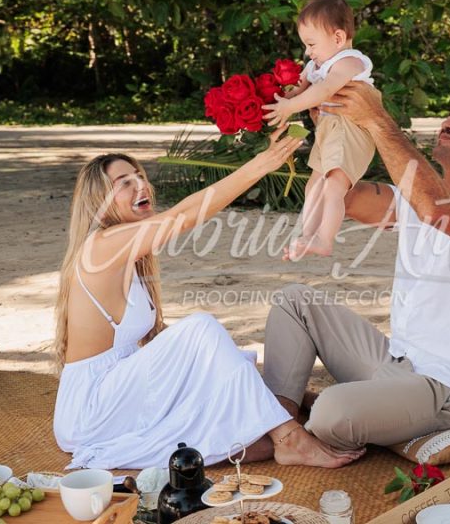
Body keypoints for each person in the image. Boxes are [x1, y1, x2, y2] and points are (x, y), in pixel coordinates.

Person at [52, 128, 364, 469]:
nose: (140, 185)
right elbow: (183, 216)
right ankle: (290, 438)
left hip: (123, 391)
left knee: (248, 433)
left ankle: (279, 427)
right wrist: (261, 164)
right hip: (91, 410)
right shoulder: (102, 245)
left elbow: (165, 347)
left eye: (140, 176)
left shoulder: (130, 256)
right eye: (124, 182)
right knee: (200, 328)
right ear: (99, 201)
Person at [262, 86, 450, 450]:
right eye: (449, 116)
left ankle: (326, 409)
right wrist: (329, 129)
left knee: (330, 412)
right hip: (395, 363)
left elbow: (437, 210)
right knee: (294, 301)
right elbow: (340, 197)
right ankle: (281, 428)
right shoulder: (414, 200)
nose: (448, 123)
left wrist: (377, 118)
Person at [262, 0, 381, 260]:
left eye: (312, 44)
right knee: (313, 186)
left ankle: (325, 239)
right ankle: (307, 235)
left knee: (334, 185)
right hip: (328, 131)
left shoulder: (350, 62)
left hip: (350, 131)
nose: (308, 51)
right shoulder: (316, 63)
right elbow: (297, 90)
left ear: (338, 38)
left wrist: (292, 107)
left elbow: (325, 89)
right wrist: (280, 102)